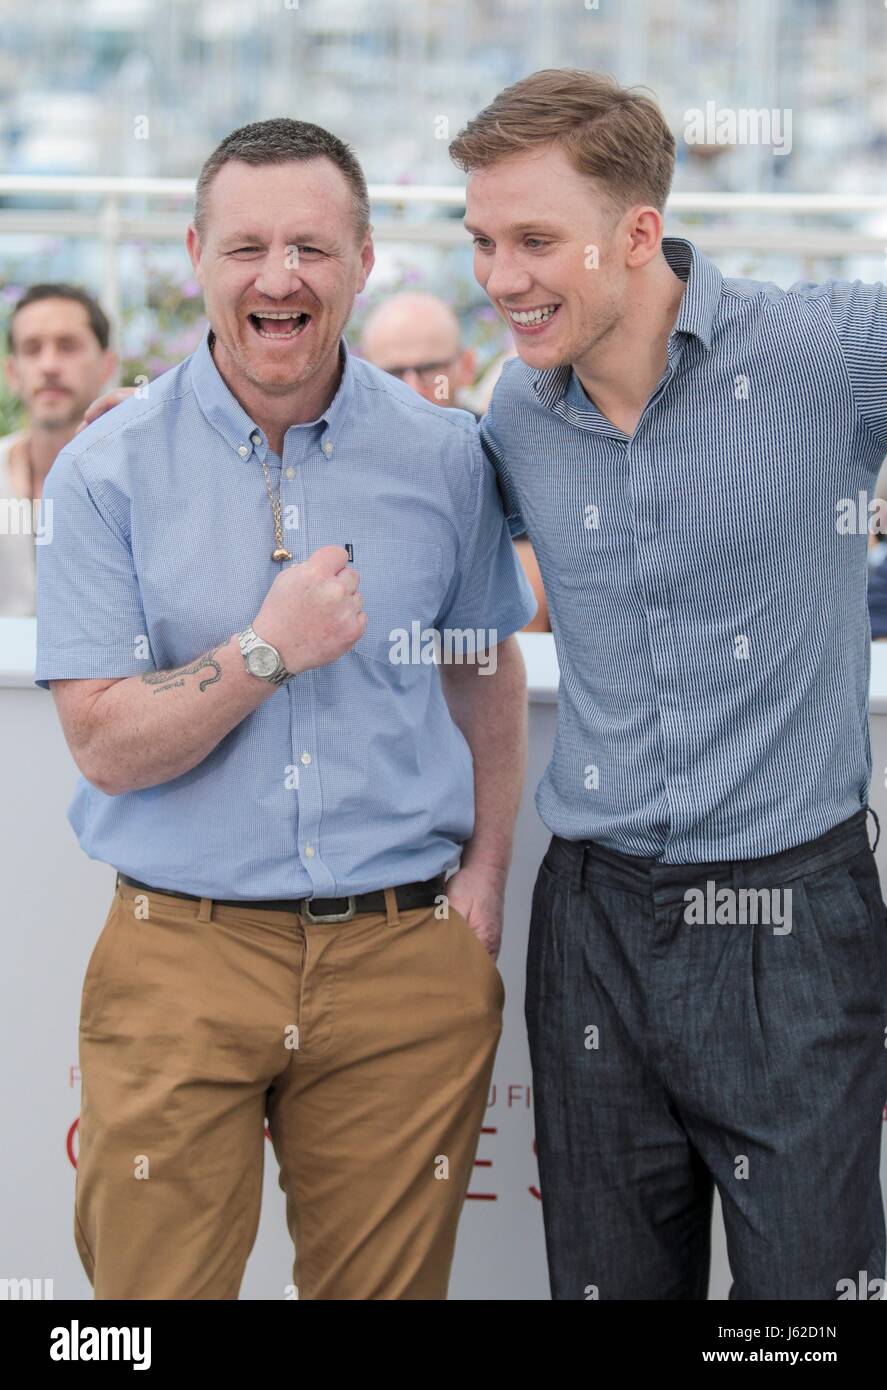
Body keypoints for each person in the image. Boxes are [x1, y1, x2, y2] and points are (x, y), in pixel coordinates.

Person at [35, 117, 536, 1300]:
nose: (278, 277)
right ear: (197, 255)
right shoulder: (104, 472)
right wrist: (266, 651)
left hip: (401, 959)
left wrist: (484, 877)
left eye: (311, 247)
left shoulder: (446, 457)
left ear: (361, 262)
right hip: (180, 959)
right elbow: (102, 741)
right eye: (247, 246)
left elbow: (482, 667)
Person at [450, 67, 887, 1301]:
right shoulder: (514, 409)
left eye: (534, 240)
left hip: (792, 920)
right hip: (589, 923)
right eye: (481, 240)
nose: (498, 278)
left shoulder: (823, 351)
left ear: (637, 234)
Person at [359, 290, 549, 630]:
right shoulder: (343, 456)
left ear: (467, 366)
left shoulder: (500, 453)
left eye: (430, 369)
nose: (412, 387)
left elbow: (525, 615)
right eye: (393, 372)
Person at [0, 285, 116, 614]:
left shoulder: (140, 483)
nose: (49, 365)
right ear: (12, 372)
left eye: (68, 347)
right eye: (32, 348)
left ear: (106, 366)